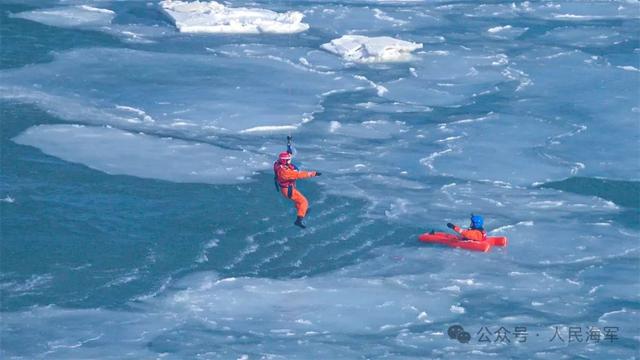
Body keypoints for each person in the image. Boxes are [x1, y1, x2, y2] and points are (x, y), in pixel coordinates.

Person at [274, 136, 321, 229]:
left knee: (299, 202)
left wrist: (289, 142)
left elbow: (288, 153)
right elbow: (299, 175)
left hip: (287, 188)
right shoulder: (285, 172)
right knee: (304, 202)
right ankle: (298, 220)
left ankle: (302, 211)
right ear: (284, 161)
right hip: (288, 190)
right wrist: (313, 173)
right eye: (288, 160)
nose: (290, 161)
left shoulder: (278, 163)